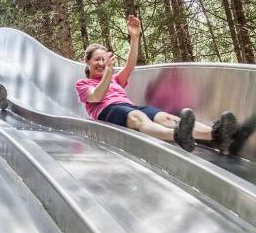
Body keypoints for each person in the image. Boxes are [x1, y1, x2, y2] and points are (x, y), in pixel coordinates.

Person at [75, 15, 238, 153]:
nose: (102, 63)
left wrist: (135, 37)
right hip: (108, 112)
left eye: (104, 59)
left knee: (165, 117)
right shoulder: (83, 84)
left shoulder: (115, 80)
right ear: (87, 61)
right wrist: (108, 74)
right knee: (138, 117)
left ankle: (216, 135)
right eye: (97, 59)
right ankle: (176, 135)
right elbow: (96, 96)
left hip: (128, 106)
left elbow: (130, 66)